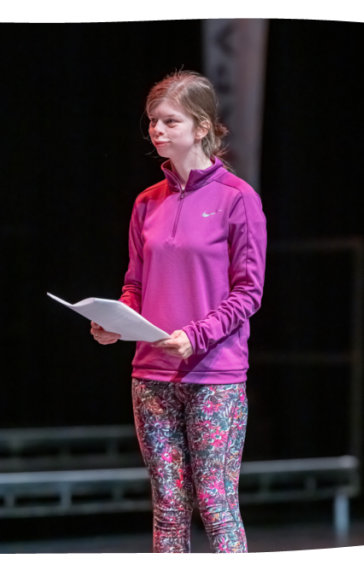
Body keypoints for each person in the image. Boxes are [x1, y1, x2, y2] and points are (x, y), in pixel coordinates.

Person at [90, 70, 266, 553]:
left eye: (170, 121)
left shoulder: (237, 199)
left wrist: (196, 334)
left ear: (202, 126)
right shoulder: (147, 202)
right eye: (153, 121)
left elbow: (249, 291)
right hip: (151, 375)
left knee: (215, 503)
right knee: (168, 508)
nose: (157, 130)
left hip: (214, 375)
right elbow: (135, 283)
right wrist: (117, 320)